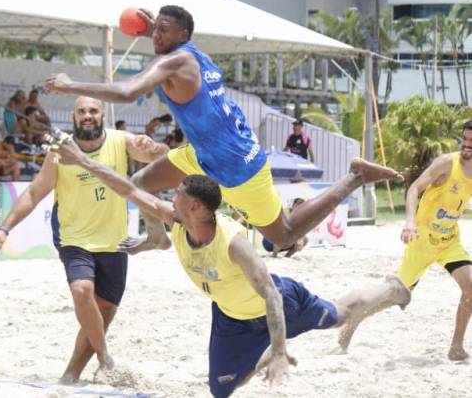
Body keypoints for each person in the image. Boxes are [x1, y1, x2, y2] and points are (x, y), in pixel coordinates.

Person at [50, 135, 410, 397]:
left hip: (281, 303)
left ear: (195, 208)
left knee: (339, 314)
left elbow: (270, 295)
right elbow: (127, 189)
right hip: (230, 317)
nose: (169, 197)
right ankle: (258, 354)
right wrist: (82, 159)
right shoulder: (177, 221)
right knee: (220, 390)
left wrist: (280, 350)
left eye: (177, 195)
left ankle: (392, 287)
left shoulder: (233, 244)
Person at [44, 5, 401, 254]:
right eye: (155, 30)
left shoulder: (175, 60)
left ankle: (353, 176)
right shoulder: (195, 52)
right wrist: (156, 25)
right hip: (202, 152)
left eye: (162, 32)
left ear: (181, 34)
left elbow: (126, 92)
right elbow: (170, 39)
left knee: (283, 236)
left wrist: (69, 84)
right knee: (139, 185)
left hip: (236, 162)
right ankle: (157, 238)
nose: (155, 37)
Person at [0, 97, 168, 384]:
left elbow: (162, 157)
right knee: (82, 291)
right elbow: (33, 193)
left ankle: (72, 373)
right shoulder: (61, 151)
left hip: (114, 240)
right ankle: (105, 358)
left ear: (102, 114)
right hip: (74, 238)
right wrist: (4, 229)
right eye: (81, 111)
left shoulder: (121, 141)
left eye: (93, 111)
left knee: (104, 310)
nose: (87, 116)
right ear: (73, 117)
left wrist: (153, 146)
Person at [339, 120, 472, 361]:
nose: (466, 145)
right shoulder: (446, 163)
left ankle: (456, 347)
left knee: (471, 288)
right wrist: (409, 222)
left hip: (449, 242)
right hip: (422, 240)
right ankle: (356, 318)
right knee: (396, 295)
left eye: (471, 141)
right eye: (464, 139)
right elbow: (414, 190)